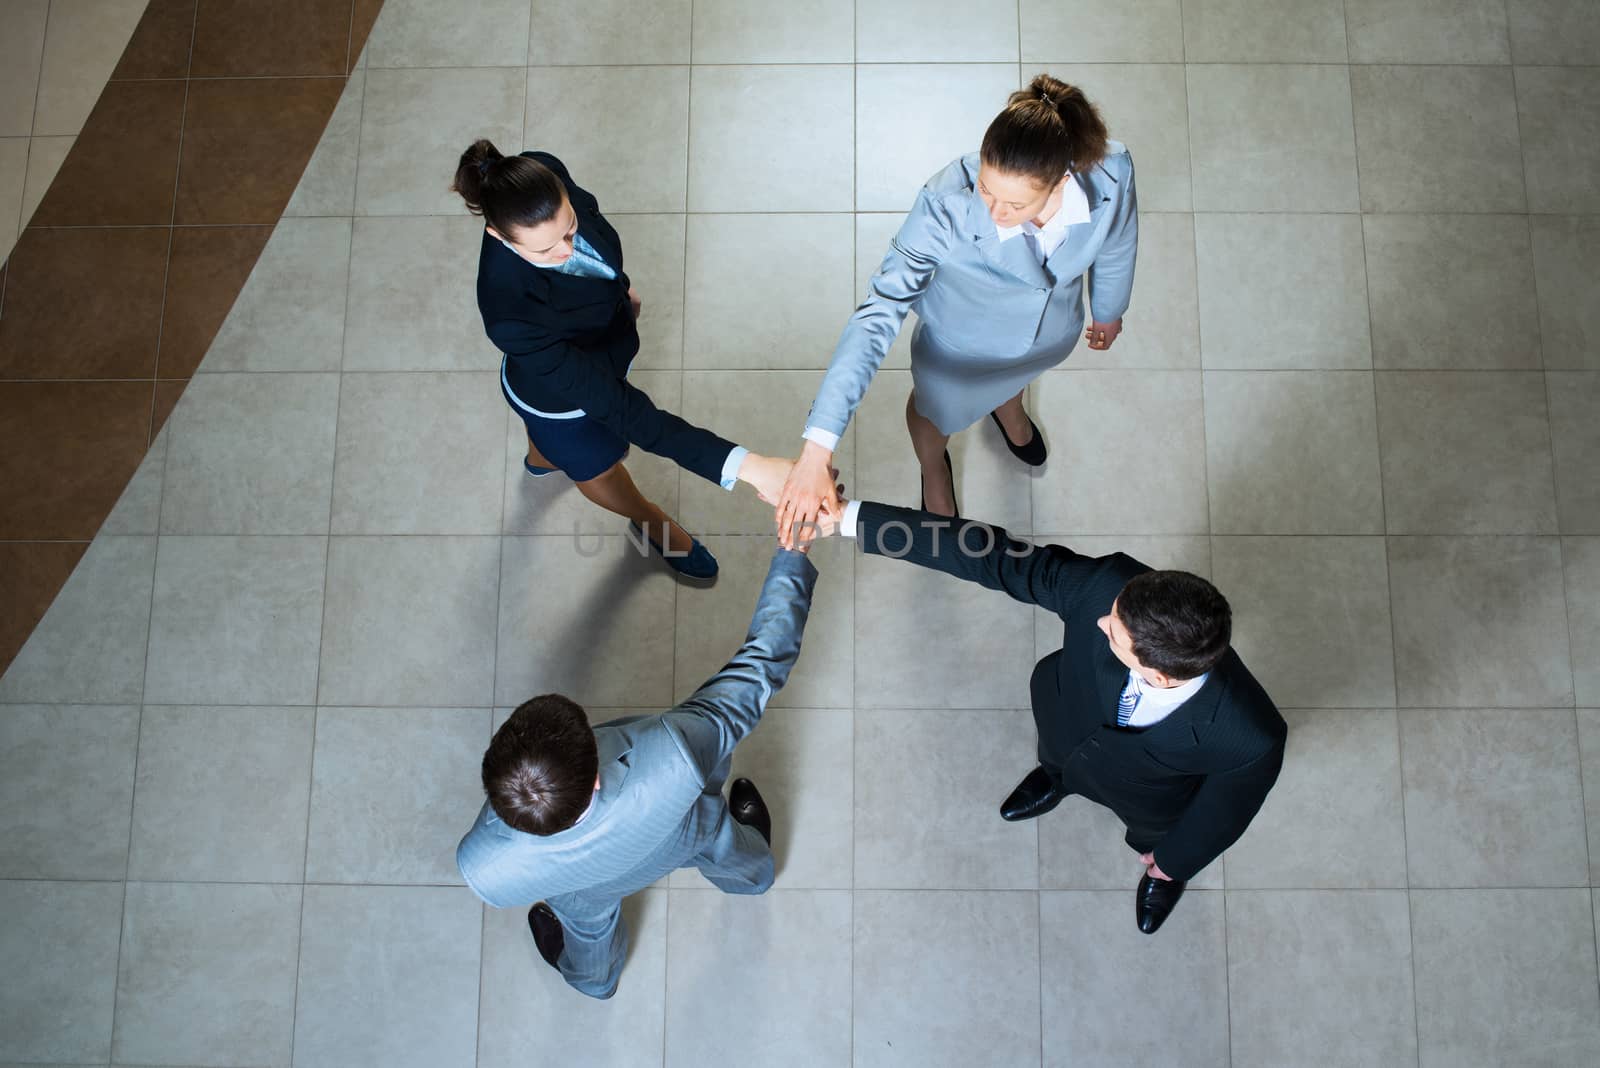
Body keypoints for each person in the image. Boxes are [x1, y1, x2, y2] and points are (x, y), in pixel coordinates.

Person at [815, 497, 1285, 933]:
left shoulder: (1249, 736)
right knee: (1057, 755)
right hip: (1066, 714)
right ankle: (1055, 777)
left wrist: (1173, 861)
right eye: (1114, 614)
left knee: (1155, 839)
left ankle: (1161, 877)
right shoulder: (1106, 585)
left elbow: (1222, 815)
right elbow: (990, 554)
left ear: (1159, 676)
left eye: (1114, 634)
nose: (1101, 621)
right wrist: (849, 516)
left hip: (1149, 796)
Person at [776, 73, 1138, 540]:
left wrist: (1109, 308)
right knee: (935, 414)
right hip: (960, 349)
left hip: (1047, 334)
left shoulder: (1112, 169)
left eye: (1014, 204)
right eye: (987, 189)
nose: (992, 213)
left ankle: (1007, 408)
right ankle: (933, 469)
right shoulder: (944, 205)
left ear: (1060, 180)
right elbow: (877, 314)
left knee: (1018, 377)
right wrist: (816, 449)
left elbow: (1118, 241)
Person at [456, 543, 818, 998]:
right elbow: (762, 664)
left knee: (588, 931)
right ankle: (754, 880)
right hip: (685, 829)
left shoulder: (482, 866)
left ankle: (597, 983)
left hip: (583, 890)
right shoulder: (675, 754)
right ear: (595, 776)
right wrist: (793, 552)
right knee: (723, 842)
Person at [454, 140, 793, 579]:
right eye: (546, 251)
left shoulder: (542, 169)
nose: (568, 251)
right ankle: (651, 521)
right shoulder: (507, 311)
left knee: (555, 449)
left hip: (596, 349)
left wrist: (617, 286)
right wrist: (750, 466)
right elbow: (625, 411)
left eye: (570, 228)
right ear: (499, 236)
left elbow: (591, 227)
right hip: (562, 400)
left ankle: (542, 458)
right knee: (601, 466)